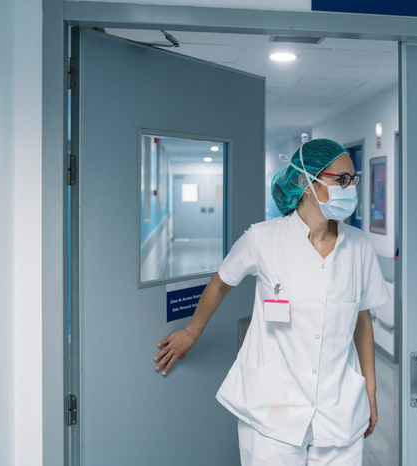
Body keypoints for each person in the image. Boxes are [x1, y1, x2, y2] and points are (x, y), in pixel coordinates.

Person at [153, 138, 389, 465]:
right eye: (342, 180)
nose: (350, 188)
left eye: (354, 180)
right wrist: (191, 333)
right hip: (272, 411)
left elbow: (362, 320)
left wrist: (371, 392)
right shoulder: (263, 238)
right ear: (308, 183)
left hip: (339, 413)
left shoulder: (359, 247)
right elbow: (220, 284)